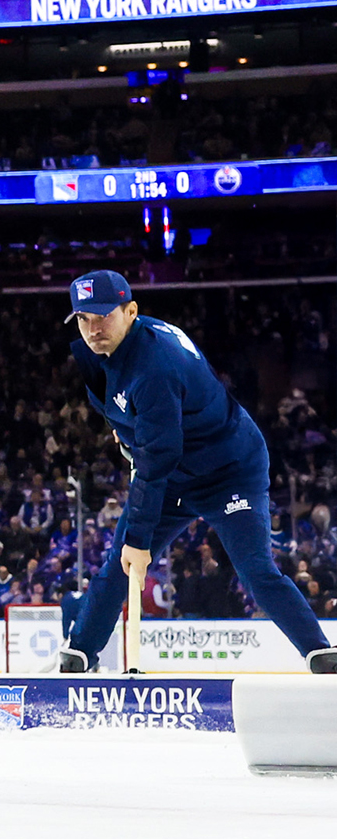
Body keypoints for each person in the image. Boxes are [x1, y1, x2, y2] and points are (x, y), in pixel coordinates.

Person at [58, 271, 335, 674]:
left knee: (254, 568)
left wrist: (139, 539)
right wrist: (127, 438)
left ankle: (319, 652)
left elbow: (156, 460)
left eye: (103, 316)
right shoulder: (101, 359)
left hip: (229, 471)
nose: (93, 328)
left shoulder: (154, 365)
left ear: (131, 311)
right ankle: (80, 654)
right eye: (84, 318)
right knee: (117, 564)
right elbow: (129, 424)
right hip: (175, 472)